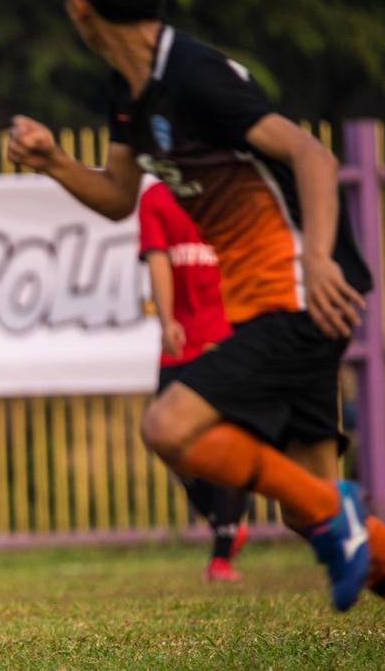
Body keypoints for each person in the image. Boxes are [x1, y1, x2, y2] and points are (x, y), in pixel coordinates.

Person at [6, 0, 385, 624]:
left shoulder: (195, 76)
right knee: (302, 509)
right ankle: (340, 525)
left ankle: (331, 514)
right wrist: (54, 162)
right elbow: (118, 198)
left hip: (297, 294)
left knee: (168, 426)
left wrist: (313, 258)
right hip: (268, 300)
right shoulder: (127, 89)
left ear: (78, 6)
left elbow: (311, 157)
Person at [138, 177, 249, 581]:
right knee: (165, 437)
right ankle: (224, 520)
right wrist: (167, 319)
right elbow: (158, 259)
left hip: (229, 336)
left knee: (232, 442)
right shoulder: (156, 197)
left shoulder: (232, 190)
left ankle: (221, 556)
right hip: (181, 342)